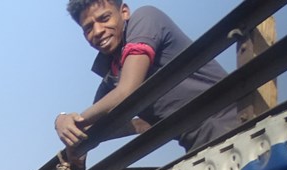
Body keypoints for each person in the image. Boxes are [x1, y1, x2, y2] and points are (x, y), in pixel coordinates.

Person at [55, 1, 238, 155]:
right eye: (88, 28)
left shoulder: (145, 18)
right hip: (199, 147)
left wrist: (76, 121)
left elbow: (127, 91)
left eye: (104, 18)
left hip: (232, 123)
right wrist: (62, 120)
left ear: (124, 12)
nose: (98, 31)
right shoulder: (113, 73)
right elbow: (91, 126)